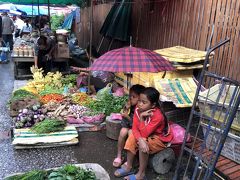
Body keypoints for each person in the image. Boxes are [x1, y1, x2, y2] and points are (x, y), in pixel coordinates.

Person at [114, 87, 173, 180]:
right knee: (133, 137)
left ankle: (141, 174)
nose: (140, 104)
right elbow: (134, 128)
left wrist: (141, 119)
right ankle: (129, 166)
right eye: (139, 101)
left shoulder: (157, 115)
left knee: (143, 144)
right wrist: (140, 139)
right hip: (146, 135)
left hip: (160, 138)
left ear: (153, 105)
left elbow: (144, 133)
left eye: (144, 102)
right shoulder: (138, 109)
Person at [113, 84, 145, 168]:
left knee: (131, 133)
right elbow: (124, 123)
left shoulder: (142, 109)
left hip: (137, 129)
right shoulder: (130, 105)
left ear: (140, 98)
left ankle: (130, 159)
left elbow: (139, 126)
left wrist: (128, 117)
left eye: (133, 96)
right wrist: (126, 110)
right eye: (130, 95)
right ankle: (119, 155)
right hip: (129, 126)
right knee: (123, 131)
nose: (131, 98)